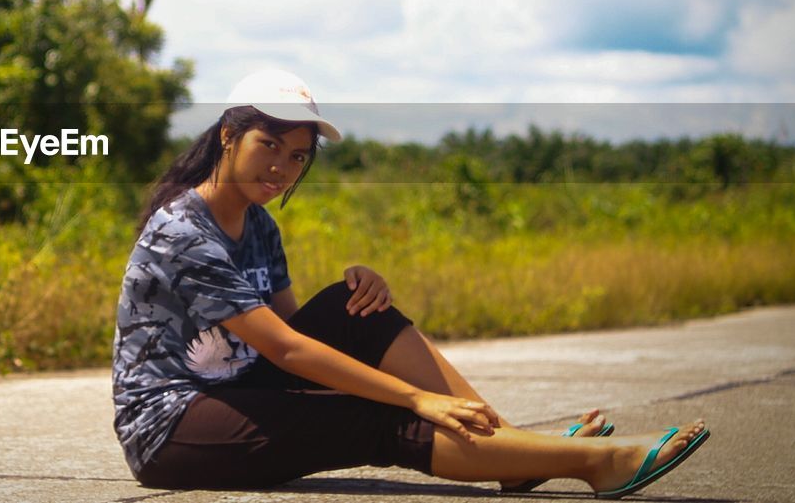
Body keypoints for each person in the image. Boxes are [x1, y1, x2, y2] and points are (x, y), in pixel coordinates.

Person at [110, 69, 710, 498]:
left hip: (240, 389)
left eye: (297, 156)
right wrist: (415, 397)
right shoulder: (183, 231)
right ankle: (595, 461)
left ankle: (512, 452)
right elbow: (286, 350)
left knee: (354, 306)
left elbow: (293, 331)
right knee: (372, 415)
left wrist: (358, 297)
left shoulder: (258, 224)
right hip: (173, 426)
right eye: (269, 144)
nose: (281, 167)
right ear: (227, 135)